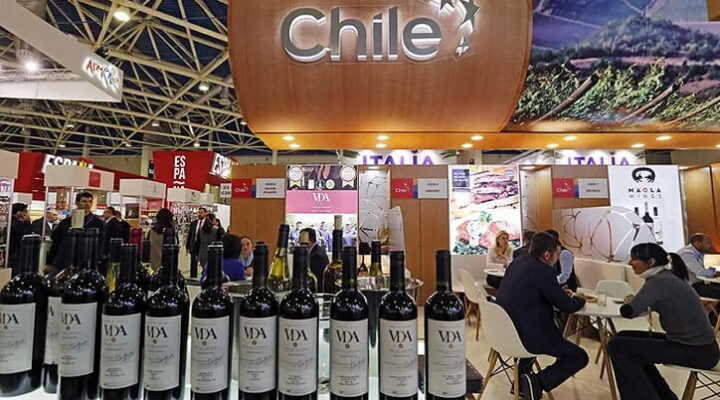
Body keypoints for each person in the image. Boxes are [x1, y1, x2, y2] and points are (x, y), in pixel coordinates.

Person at [608, 243, 720, 400]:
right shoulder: (666, 277)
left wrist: (631, 302)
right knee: (623, 337)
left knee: (618, 346)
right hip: (701, 347)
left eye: (634, 259)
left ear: (651, 262)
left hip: (696, 351)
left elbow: (629, 311)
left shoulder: (659, 281)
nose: (630, 263)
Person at [496, 232, 590, 400]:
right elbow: (567, 306)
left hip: (505, 332)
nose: (557, 259)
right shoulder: (544, 271)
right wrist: (580, 299)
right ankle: (536, 383)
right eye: (557, 254)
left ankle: (521, 384)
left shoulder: (517, 263)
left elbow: (532, 293)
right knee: (579, 356)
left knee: (535, 330)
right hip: (528, 336)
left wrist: (556, 293)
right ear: (547, 255)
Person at [47, 191, 105, 275]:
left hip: (86, 263)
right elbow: (56, 243)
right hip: (63, 262)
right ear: (77, 203)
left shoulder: (98, 224)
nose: (87, 204)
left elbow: (100, 245)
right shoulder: (66, 222)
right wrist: (49, 262)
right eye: (84, 201)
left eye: (90, 201)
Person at [677, 233, 720, 300]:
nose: (711, 245)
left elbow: (702, 270)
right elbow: (699, 272)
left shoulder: (699, 252)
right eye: (708, 243)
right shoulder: (686, 254)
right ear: (697, 244)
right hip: (691, 286)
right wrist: (714, 272)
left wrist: (714, 271)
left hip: (700, 282)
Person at [8, 203, 33, 271]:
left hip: (15, 253)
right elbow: (25, 233)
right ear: (19, 212)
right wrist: (27, 221)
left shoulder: (16, 221)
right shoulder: (14, 222)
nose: (27, 213)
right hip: (14, 253)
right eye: (25, 211)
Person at [185, 207, 208, 276]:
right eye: (199, 213)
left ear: (205, 213)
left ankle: (204, 274)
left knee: (203, 261)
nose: (199, 214)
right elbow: (190, 235)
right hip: (194, 245)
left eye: (201, 213)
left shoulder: (207, 223)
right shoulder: (194, 223)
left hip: (203, 245)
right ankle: (193, 275)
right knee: (193, 261)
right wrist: (188, 246)